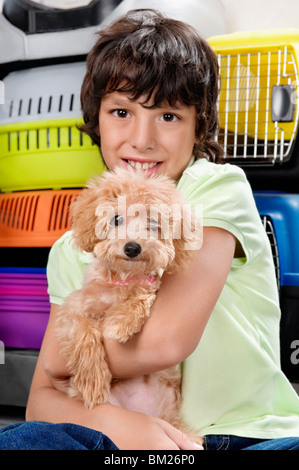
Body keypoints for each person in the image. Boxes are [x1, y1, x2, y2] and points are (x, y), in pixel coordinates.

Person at [4, 9, 299, 450]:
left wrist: (68, 359)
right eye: (121, 111)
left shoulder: (214, 188)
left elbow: (164, 343)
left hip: (244, 433)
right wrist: (117, 424)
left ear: (199, 122)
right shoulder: (71, 248)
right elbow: (40, 402)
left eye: (168, 116)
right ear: (96, 118)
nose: (142, 139)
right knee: (24, 440)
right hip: (121, 431)